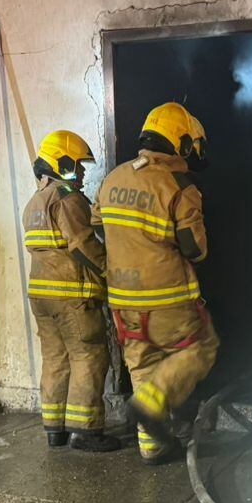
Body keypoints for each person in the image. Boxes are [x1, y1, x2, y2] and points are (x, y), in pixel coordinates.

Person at [92, 102, 219, 465]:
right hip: (168, 298)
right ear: (181, 143)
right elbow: (195, 250)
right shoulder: (179, 186)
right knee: (200, 349)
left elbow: (99, 226)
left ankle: (153, 445)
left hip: (122, 299)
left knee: (143, 366)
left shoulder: (113, 178)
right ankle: (150, 405)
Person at [22, 130, 121, 453]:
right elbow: (83, 245)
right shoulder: (67, 199)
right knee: (88, 356)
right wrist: (111, 273)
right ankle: (86, 430)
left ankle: (56, 429)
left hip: (41, 297)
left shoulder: (34, 202)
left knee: (55, 358)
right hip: (72, 296)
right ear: (60, 163)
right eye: (76, 166)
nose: (80, 173)